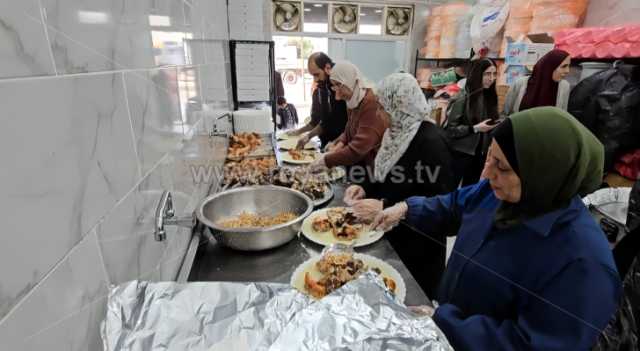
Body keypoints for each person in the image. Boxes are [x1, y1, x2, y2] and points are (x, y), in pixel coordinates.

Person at [372, 107, 621, 351]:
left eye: (502, 167)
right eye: (489, 157)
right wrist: (406, 209)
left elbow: (529, 343)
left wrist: (446, 323)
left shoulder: (584, 263)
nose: (487, 172)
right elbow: (454, 205)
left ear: (541, 173)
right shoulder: (496, 192)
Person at [343, 72, 456, 297]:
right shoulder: (394, 133)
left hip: (417, 253)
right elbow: (387, 175)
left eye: (382, 108)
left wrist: (386, 204)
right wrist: (365, 186)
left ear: (401, 107)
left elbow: (443, 210)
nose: (378, 113)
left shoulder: (431, 142)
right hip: (388, 238)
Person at [308, 60, 387, 172]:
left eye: (339, 85)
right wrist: (337, 144)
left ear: (351, 81)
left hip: (373, 170)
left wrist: (326, 160)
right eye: (334, 87)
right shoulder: (354, 100)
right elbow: (348, 131)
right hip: (361, 165)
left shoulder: (371, 104)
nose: (337, 96)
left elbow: (358, 149)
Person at [445, 58, 500, 186]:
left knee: (470, 193)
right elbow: (450, 129)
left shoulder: (490, 96)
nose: (491, 78)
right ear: (477, 74)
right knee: (450, 191)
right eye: (487, 74)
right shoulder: (463, 97)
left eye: (494, 74)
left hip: (480, 154)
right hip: (461, 153)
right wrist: (475, 128)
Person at [287, 53, 348, 149]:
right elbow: (321, 121)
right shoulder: (321, 89)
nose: (315, 79)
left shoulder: (343, 87)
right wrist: (303, 134)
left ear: (327, 67)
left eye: (317, 74)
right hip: (327, 143)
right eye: (313, 75)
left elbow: (346, 124)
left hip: (342, 145)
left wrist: (337, 143)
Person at [503, 49, 571, 115]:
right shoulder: (520, 84)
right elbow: (506, 113)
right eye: (564, 66)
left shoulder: (564, 87)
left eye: (568, 66)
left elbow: (562, 116)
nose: (567, 71)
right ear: (550, 67)